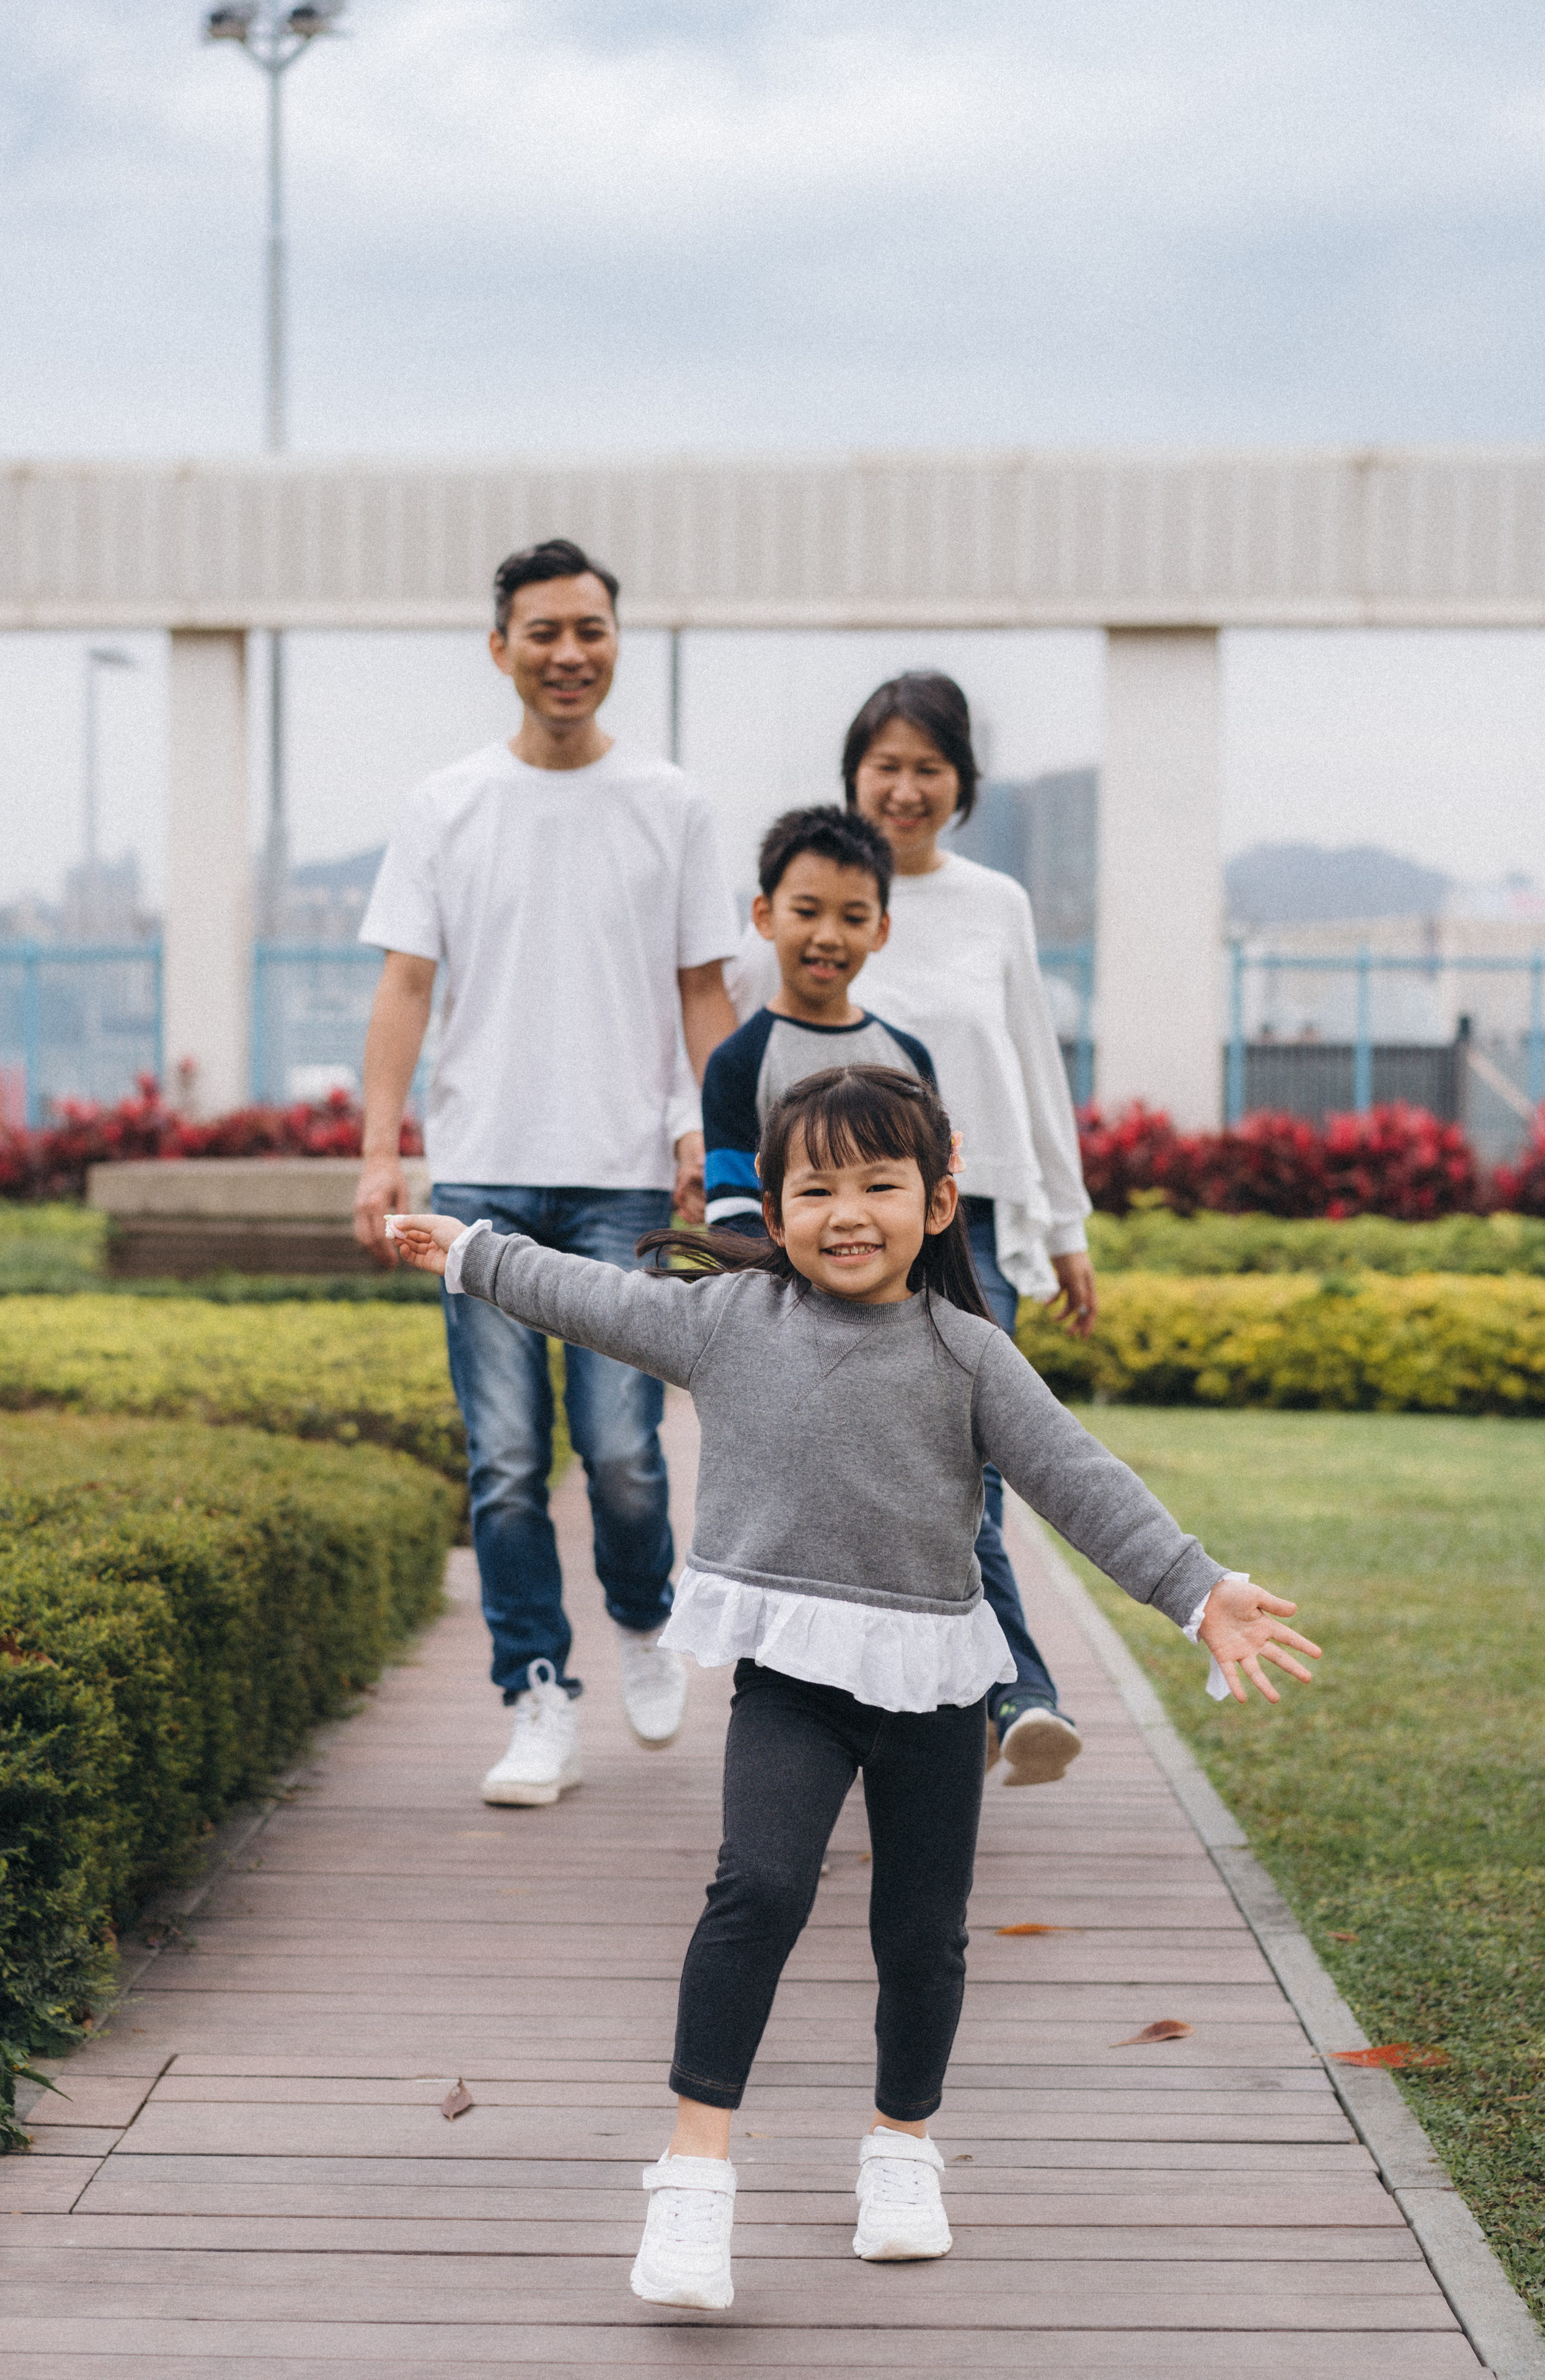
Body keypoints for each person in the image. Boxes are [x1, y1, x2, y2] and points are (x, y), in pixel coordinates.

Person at [387, 1064, 1319, 2311]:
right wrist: (472, 1252)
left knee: (919, 1940)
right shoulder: (727, 1323)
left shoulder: (967, 1354)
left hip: (934, 1686)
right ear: (770, 1215)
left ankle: (900, 2147)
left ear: (936, 1203)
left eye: (878, 1184)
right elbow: (592, 1298)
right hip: (790, 1680)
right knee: (756, 1887)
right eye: (813, 1187)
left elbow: (1078, 1480)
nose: (846, 1211)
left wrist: (1196, 1591)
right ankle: (692, 2176)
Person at [353, 536, 738, 1806]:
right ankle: (535, 1693)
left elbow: (702, 992)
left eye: (590, 630)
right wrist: (377, 1154)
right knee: (506, 1458)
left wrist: (715, 1143)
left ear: (614, 642)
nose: (567, 653)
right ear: (500, 647)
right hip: (476, 1180)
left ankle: (642, 1615)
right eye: (542, 632)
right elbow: (405, 982)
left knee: (624, 1455)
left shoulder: (672, 803)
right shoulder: (445, 803)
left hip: (622, 1178)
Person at [728, 671, 1096, 1791]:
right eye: (885, 765)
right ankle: (881, 1702)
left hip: (966, 1223)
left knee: (965, 1467)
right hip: (835, 1224)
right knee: (855, 1469)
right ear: (854, 776)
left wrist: (1069, 1225)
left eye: (928, 767)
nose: (905, 786)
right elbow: (760, 1054)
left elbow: (1034, 1065)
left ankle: (1018, 1694)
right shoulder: (817, 898)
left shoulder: (997, 905)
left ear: (961, 785)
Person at [702, 805, 936, 1236]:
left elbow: (927, 1199)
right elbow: (734, 1219)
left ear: (881, 930)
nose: (828, 937)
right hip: (777, 1299)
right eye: (807, 912)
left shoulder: (908, 1058)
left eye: (853, 918)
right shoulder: (737, 1064)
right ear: (764, 916)